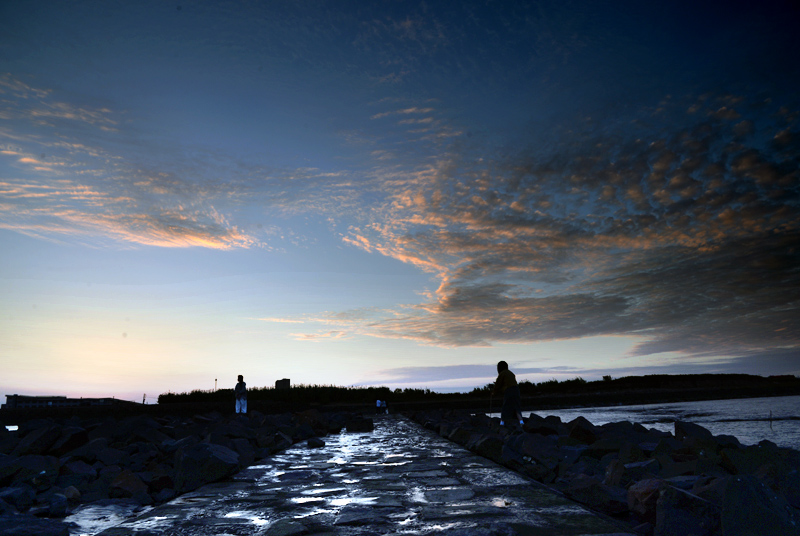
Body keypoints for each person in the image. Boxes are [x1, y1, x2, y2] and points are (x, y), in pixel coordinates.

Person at [492, 361, 522, 429]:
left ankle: (502, 424)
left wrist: (494, 392)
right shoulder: (511, 373)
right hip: (516, 390)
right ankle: (521, 422)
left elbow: (498, 384)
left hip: (509, 390)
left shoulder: (502, 373)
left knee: (505, 407)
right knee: (516, 407)